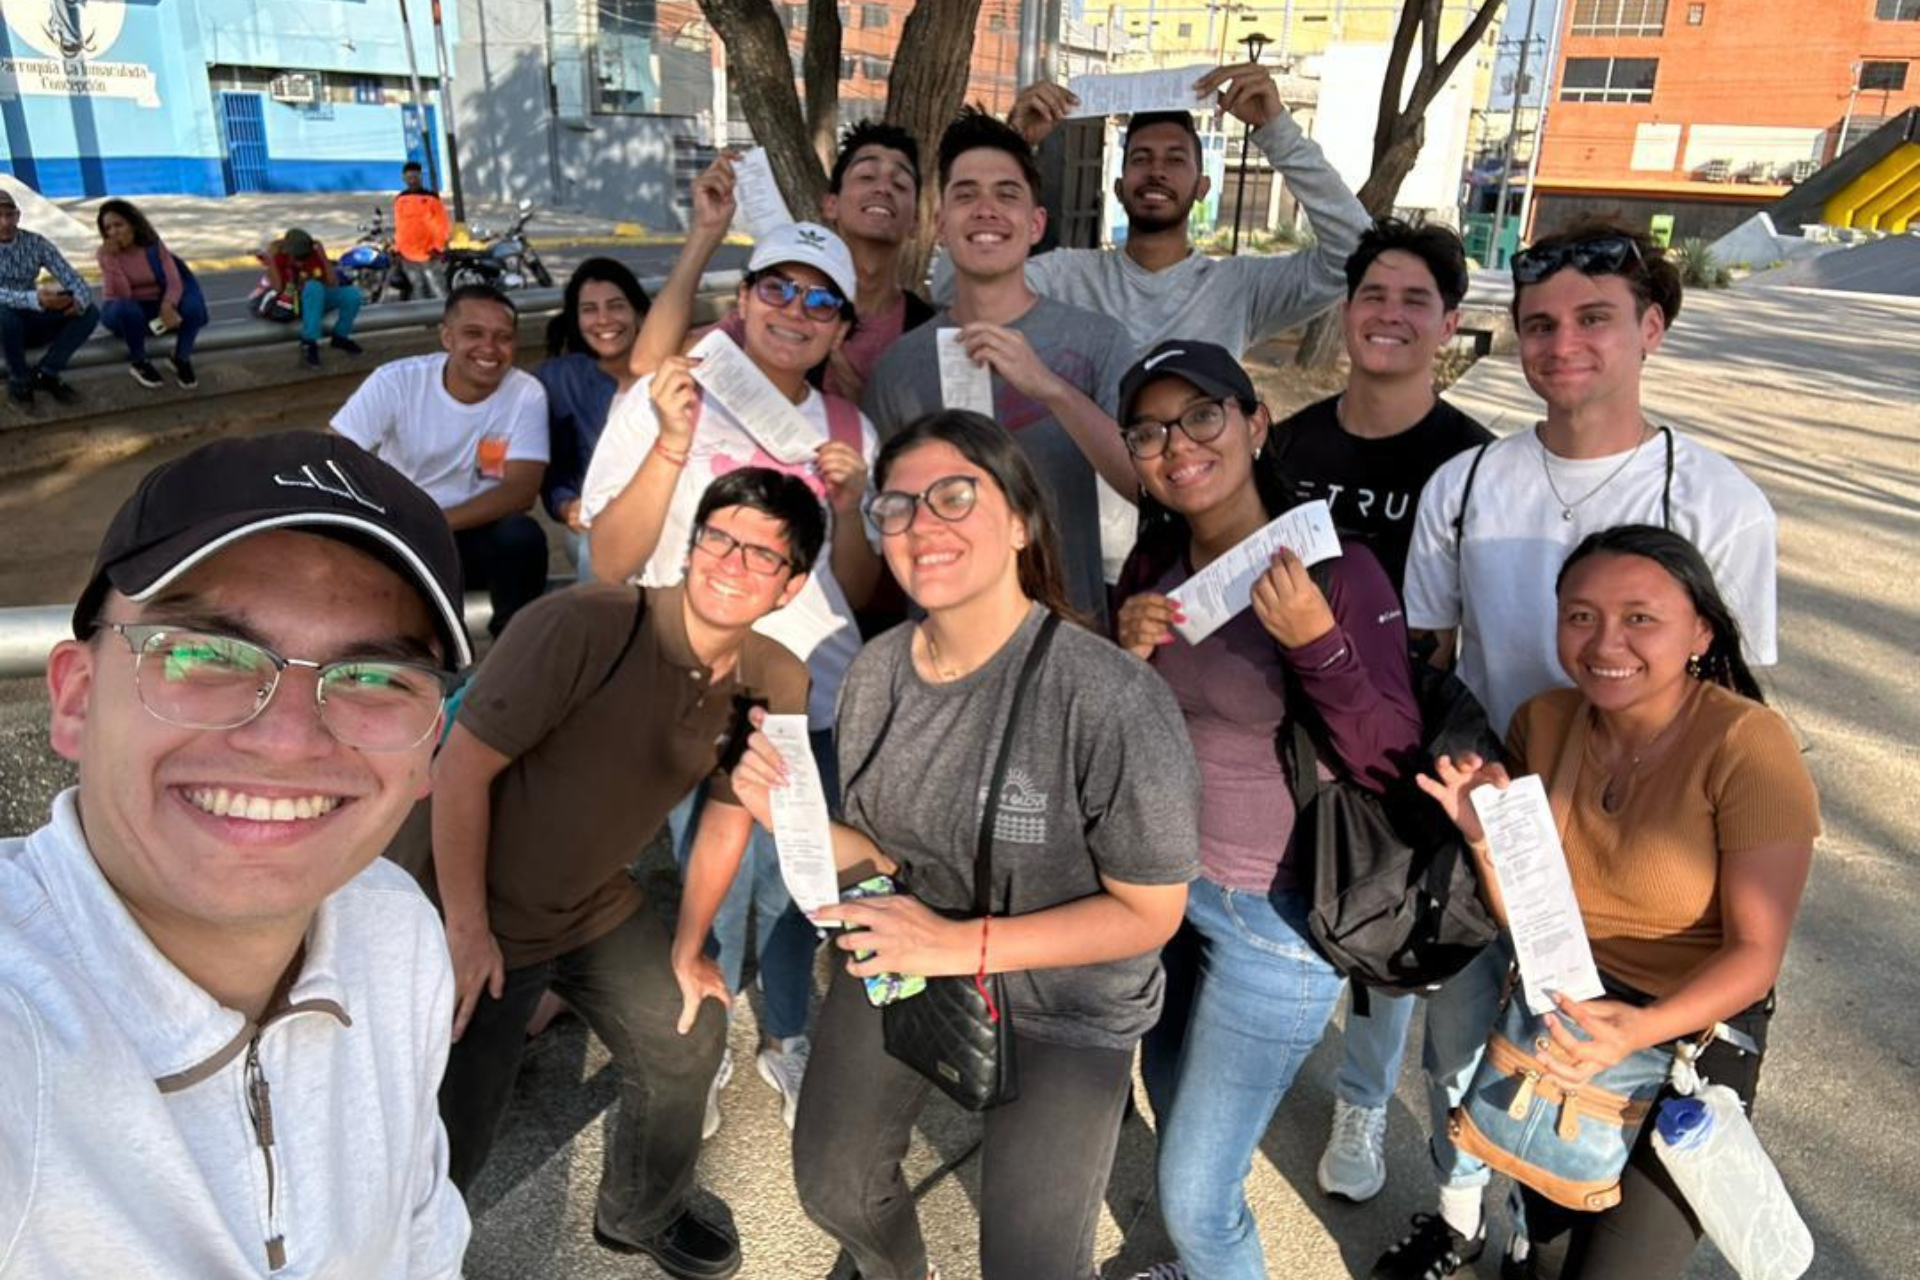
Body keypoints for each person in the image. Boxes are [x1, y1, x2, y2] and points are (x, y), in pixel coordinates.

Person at [1375, 218, 1781, 1279]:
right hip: (1496, 825)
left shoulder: (1720, 503)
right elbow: (1433, 651)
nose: (1565, 342)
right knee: (1464, 1057)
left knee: (1597, 1088)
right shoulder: (1465, 486)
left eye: (1596, 317)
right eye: (1541, 322)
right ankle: (1464, 1219)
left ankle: (1539, 1231)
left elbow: (1735, 690)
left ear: (1651, 327)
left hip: (1638, 863)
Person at [729, 410, 1201, 1280]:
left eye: (954, 496)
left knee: (1030, 1264)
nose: (922, 526)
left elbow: (1149, 913)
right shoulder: (872, 672)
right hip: (911, 959)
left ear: (1021, 520)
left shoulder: (1109, 697)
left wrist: (958, 943)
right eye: (897, 507)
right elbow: (878, 852)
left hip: (1067, 1003)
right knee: (832, 1184)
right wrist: (787, 815)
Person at [0, 431, 473, 1276]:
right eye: (205, 653)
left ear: (428, 747)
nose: (287, 741)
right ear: (75, 699)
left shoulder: (396, 931)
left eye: (371, 679)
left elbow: (421, 1230)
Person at [433, 467, 821, 1280]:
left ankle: (639, 1210)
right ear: (693, 542)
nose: (731, 562)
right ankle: (412, 1254)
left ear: (791, 586)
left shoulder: (774, 678)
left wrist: (689, 947)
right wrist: (464, 931)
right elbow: (459, 770)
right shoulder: (587, 623)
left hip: (591, 904)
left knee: (689, 1029)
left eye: (761, 556)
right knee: (456, 1126)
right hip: (478, 901)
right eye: (719, 538)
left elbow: (728, 810)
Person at [1415, 525, 1817, 1280]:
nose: (1606, 641)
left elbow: (1755, 956)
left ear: (1699, 629)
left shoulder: (1747, 745)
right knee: (1544, 1248)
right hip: (1563, 1021)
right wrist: (1484, 840)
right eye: (1580, 616)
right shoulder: (1546, 721)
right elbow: (1528, 920)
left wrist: (1640, 1029)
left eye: (1640, 617)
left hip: (1691, 1038)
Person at [1110, 341, 1421, 1280]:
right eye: (1150, 431)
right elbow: (1124, 721)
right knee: (1174, 1110)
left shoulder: (1335, 570)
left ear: (1255, 424)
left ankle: (1214, 1257)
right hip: (1164, 893)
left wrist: (1318, 645)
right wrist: (1120, 645)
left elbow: (1392, 756)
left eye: (1202, 416)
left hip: (1276, 920)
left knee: (1196, 1194)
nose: (1177, 445)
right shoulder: (1156, 560)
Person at [582, 220, 881, 1135]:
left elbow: (861, 591)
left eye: (819, 299)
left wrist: (852, 507)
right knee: (700, 872)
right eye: (777, 289)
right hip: (692, 688)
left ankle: (783, 1035)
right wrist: (671, 443)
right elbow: (606, 560)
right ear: (741, 301)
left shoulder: (848, 429)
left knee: (798, 881)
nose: (795, 311)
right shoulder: (670, 396)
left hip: (813, 696)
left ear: (840, 329)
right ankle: (703, 1031)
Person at [1273, 218, 1494, 1206]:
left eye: (1415, 301)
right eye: (1374, 296)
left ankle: (1363, 1097)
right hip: (1288, 717)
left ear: (1449, 322)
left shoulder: (1470, 462)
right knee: (1281, 908)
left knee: (1381, 917)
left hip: (1398, 731)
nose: (1390, 316)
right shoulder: (1292, 442)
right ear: (1347, 309)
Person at [863, 107, 1137, 625]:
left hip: (1068, 634)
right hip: (943, 640)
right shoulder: (898, 366)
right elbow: (881, 520)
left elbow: (1142, 483)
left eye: (1007, 194)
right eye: (965, 195)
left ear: (1036, 225)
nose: (986, 209)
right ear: (940, 224)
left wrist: (1051, 388)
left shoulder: (1099, 339)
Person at [634, 122, 936, 402]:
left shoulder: (929, 332)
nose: (883, 188)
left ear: (916, 221)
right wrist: (706, 231)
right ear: (831, 204)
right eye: (867, 177)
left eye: (899, 184)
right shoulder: (777, 308)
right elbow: (649, 363)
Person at [331, 284, 550, 637]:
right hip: (404, 530)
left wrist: (436, 524)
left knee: (521, 537)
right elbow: (332, 457)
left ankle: (515, 654)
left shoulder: (526, 393)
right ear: (447, 338)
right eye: (473, 333)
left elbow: (520, 492)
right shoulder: (397, 382)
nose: (489, 348)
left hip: (469, 532)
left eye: (503, 337)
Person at [538, 257, 652, 579]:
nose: (603, 320)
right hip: (597, 523)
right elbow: (554, 472)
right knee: (598, 553)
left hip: (671, 518)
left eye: (616, 306)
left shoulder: (670, 374)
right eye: (589, 309)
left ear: (640, 314)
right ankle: (604, 630)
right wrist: (567, 506)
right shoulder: (559, 380)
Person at [95, 197, 210, 391]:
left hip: (156, 307)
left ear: (133, 224)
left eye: (118, 225)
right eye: (108, 228)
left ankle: (180, 358)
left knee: (192, 307)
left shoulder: (153, 246)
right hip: (122, 310)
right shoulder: (106, 254)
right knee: (129, 310)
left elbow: (174, 280)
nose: (113, 232)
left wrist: (168, 305)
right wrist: (109, 259)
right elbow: (123, 293)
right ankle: (139, 362)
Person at [0, 186, 99, 409]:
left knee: (90, 312)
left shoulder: (35, 243)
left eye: (9, 215)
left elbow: (72, 277)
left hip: (30, 321)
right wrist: (35, 299)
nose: (5, 223)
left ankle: (46, 373)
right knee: (4, 312)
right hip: (4, 326)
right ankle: (18, 379)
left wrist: (78, 300)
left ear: (18, 216)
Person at [268, 226, 364, 369]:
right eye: (298, 257)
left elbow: (333, 283)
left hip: (317, 299)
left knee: (352, 294)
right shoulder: (281, 259)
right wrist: (271, 260)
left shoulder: (314, 256)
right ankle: (309, 341)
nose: (302, 260)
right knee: (314, 286)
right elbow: (277, 288)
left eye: (304, 256)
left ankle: (340, 336)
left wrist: (323, 256)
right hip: (293, 302)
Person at [394, 160, 451, 301]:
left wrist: (438, 248)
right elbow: (399, 226)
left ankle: (443, 318)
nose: (412, 180)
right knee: (417, 287)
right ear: (403, 179)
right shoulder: (400, 199)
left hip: (429, 254)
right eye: (408, 177)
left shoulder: (432, 198)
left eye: (415, 177)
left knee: (437, 288)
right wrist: (397, 249)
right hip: (408, 254)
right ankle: (425, 320)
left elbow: (442, 224)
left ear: (420, 177)